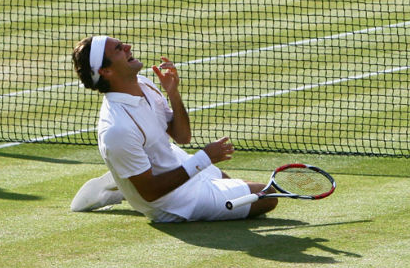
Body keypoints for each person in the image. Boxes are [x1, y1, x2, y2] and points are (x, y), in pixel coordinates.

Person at [69, 35, 277, 222]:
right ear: (106, 71)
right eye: (119, 49)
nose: (128, 47)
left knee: (227, 181)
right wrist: (204, 157)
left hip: (172, 160)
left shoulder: (143, 83)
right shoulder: (117, 129)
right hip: (171, 203)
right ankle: (131, 181)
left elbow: (182, 136)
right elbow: (151, 193)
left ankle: (127, 179)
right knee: (267, 196)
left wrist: (173, 93)